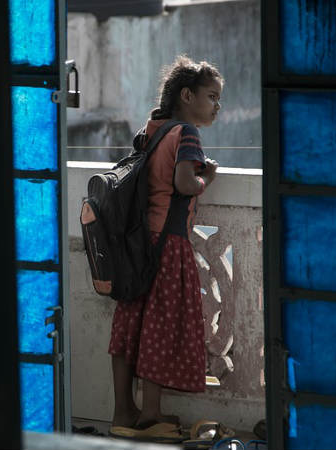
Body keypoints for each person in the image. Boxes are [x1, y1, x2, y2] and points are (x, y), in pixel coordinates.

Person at [108, 55, 223, 441]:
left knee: (130, 326)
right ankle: (151, 416)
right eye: (211, 96)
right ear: (187, 96)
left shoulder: (152, 129)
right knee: (159, 325)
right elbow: (186, 184)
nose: (217, 106)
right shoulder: (187, 134)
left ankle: (123, 412)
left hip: (137, 243)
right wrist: (208, 176)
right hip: (168, 244)